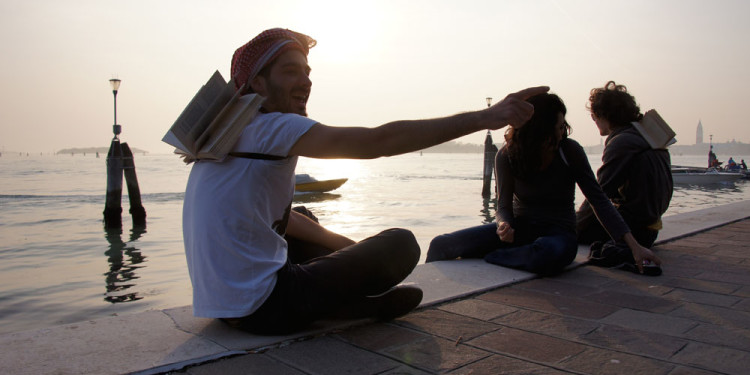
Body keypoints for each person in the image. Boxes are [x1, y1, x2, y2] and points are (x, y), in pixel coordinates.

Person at [182, 28, 549, 335]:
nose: (306, 81)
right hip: (263, 308)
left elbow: (285, 220)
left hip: (224, 306)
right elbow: (378, 141)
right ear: (258, 84)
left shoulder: (226, 136)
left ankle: (345, 303)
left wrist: (351, 251)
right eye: (291, 71)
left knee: (303, 214)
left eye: (308, 72)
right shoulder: (272, 127)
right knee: (402, 244)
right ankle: (347, 305)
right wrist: (487, 116)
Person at [426, 93, 660, 276]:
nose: (563, 132)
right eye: (558, 127)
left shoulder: (570, 151)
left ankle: (494, 256)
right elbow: (503, 206)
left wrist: (633, 246)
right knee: (441, 244)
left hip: (559, 234)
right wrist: (504, 224)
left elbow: (599, 200)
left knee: (549, 253)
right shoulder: (506, 156)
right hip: (520, 229)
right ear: (539, 130)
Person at [576, 81, 672, 271]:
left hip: (634, 231)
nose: (594, 120)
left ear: (603, 116)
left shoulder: (621, 143)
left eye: (594, 116)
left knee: (563, 229)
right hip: (650, 230)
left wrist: (574, 225)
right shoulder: (648, 138)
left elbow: (598, 195)